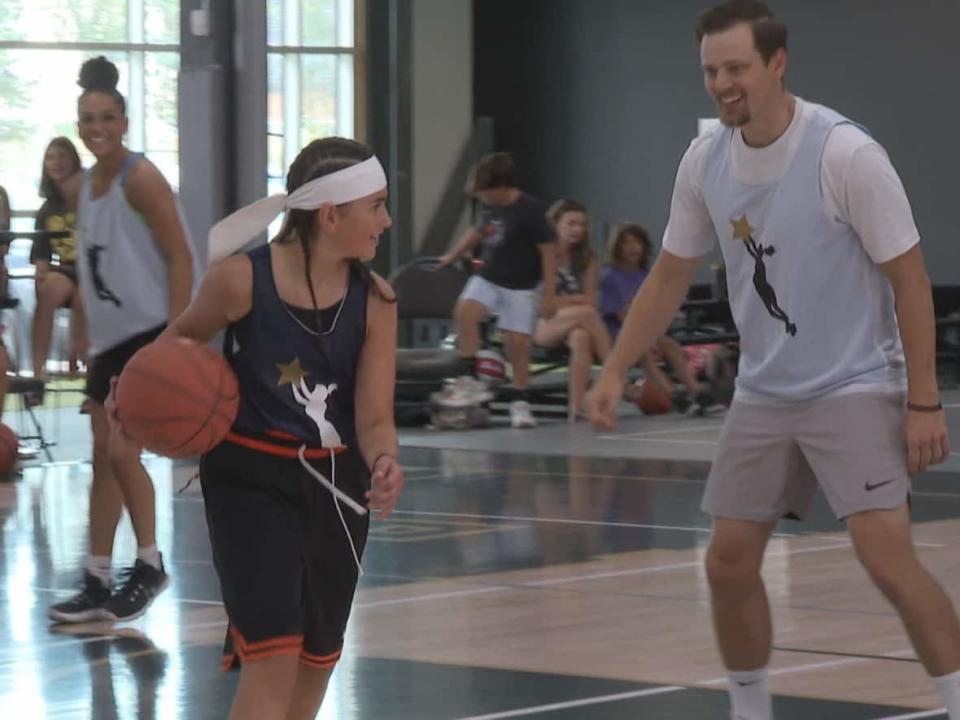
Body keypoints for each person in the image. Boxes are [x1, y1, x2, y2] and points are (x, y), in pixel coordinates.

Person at [587, 2, 959, 719]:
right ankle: (750, 710)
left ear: (777, 63)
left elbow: (910, 280)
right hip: (764, 390)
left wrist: (923, 401)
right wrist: (613, 369)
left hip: (854, 382)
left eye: (736, 68)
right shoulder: (706, 161)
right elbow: (668, 276)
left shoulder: (845, 154)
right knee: (726, 563)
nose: (722, 83)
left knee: (887, 559)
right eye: (710, 71)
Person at [167, 137, 404, 720]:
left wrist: (385, 462)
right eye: (375, 206)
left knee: (313, 670)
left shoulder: (376, 302)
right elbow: (176, 347)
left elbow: (374, 418)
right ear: (331, 215)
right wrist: (138, 397)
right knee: (273, 657)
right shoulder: (239, 282)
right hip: (249, 479)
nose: (386, 220)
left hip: (338, 491)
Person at [48, 56, 197, 624]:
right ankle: (97, 575)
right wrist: (83, 338)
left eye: (107, 117)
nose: (97, 128)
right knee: (100, 459)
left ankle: (151, 562)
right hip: (112, 343)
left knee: (119, 451)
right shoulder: (84, 186)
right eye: (88, 119)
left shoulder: (141, 177)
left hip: (150, 334)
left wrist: (178, 338)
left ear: (125, 121)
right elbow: (93, 271)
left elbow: (182, 254)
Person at [438, 152, 557, 428]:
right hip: (489, 276)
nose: (483, 198)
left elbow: (549, 252)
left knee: (516, 343)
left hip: (522, 284)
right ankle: (470, 380)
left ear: (503, 187)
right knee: (464, 313)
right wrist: (452, 256)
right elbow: (477, 232)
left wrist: (549, 294)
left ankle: (520, 400)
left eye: (487, 193)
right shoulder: (487, 206)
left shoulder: (531, 210)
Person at [600, 223, 706, 413]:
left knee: (670, 345)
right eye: (626, 243)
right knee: (643, 351)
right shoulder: (609, 277)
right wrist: (647, 340)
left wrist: (654, 337)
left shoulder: (647, 276)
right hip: (617, 334)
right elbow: (622, 315)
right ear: (617, 247)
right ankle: (673, 395)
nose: (632, 247)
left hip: (647, 331)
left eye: (636, 242)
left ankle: (697, 391)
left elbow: (657, 310)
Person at [532, 199, 611, 421]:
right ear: (556, 224)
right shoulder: (541, 255)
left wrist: (562, 301)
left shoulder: (587, 259)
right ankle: (615, 374)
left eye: (582, 225)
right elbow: (540, 305)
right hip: (540, 324)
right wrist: (574, 300)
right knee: (586, 315)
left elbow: (590, 300)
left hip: (575, 322)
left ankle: (576, 408)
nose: (577, 229)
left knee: (581, 337)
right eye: (571, 223)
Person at [31, 137, 86, 391]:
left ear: (74, 160)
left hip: (90, 269)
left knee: (84, 299)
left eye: (62, 157)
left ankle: (83, 367)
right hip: (64, 268)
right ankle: (37, 371)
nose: (57, 163)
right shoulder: (46, 210)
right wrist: (41, 275)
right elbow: (41, 254)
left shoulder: (89, 199)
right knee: (48, 291)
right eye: (51, 157)